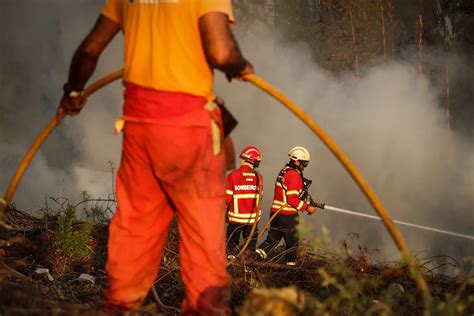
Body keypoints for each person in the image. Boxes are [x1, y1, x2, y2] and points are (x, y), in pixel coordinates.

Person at [57, 1, 253, 314]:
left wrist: (74, 93)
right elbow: (220, 52)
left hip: (139, 128)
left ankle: (119, 305)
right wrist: (239, 65)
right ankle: (206, 309)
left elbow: (89, 50)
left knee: (136, 225)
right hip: (188, 129)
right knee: (202, 229)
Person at [255, 146, 317, 266]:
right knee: (292, 245)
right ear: (296, 161)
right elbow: (292, 199)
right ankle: (291, 270)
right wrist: (307, 208)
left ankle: (252, 259)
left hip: (276, 214)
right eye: (304, 164)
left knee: (271, 241)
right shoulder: (294, 175)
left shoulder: (284, 171)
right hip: (287, 216)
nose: (304, 167)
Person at [225, 146, 263, 259]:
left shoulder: (232, 176)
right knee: (250, 249)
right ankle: (248, 267)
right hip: (252, 220)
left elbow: (226, 199)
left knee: (230, 248)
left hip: (235, 220)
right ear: (253, 161)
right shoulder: (259, 178)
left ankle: (233, 268)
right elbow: (260, 198)